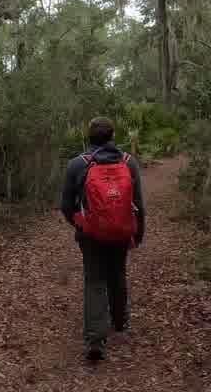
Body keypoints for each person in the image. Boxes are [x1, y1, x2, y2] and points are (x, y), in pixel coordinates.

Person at [59, 116, 145, 361]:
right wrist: (138, 233)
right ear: (112, 136)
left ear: (89, 136)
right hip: (121, 231)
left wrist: (79, 225)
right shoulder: (129, 163)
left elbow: (66, 205)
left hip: (91, 234)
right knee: (117, 272)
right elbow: (138, 204)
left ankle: (96, 339)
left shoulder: (77, 164)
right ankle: (120, 320)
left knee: (95, 279)